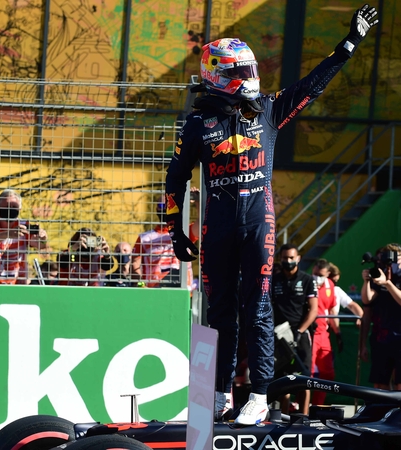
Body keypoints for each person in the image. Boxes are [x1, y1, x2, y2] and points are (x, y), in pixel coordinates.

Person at [162, 4, 379, 425]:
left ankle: (259, 396)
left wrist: (348, 44)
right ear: (216, 76)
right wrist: (175, 231)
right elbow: (174, 179)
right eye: (237, 72)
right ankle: (220, 396)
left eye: (248, 70)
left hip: (258, 223)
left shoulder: (269, 108)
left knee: (258, 307)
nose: (246, 79)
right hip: (217, 227)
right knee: (218, 312)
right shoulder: (196, 123)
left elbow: (311, 88)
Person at [358, 243, 401, 391]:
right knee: (380, 386)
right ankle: (381, 413)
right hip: (382, 338)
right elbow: (367, 300)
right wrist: (367, 281)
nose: (390, 265)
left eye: (394, 260)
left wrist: (387, 283)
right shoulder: (381, 276)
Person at [271, 244, 318, 415]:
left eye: (291, 258)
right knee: (283, 380)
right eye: (285, 258)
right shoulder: (273, 280)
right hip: (279, 336)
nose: (288, 261)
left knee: (304, 378)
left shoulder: (307, 280)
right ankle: (283, 418)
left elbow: (314, 310)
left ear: (298, 258)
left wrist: (300, 331)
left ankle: (304, 419)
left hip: (301, 334)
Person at [0, 189, 48, 284]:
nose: (10, 209)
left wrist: (43, 239)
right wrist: (8, 234)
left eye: (14, 206)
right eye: (6, 206)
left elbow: (40, 245)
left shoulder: (24, 225)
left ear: (20, 208)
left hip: (16, 284)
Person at [310, 259, 339, 406]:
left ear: (327, 274)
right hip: (310, 333)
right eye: (315, 274)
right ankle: (302, 409)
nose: (317, 277)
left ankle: (317, 406)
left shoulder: (330, 285)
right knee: (308, 373)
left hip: (324, 334)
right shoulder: (308, 282)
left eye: (320, 275)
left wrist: (338, 332)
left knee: (328, 373)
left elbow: (333, 310)